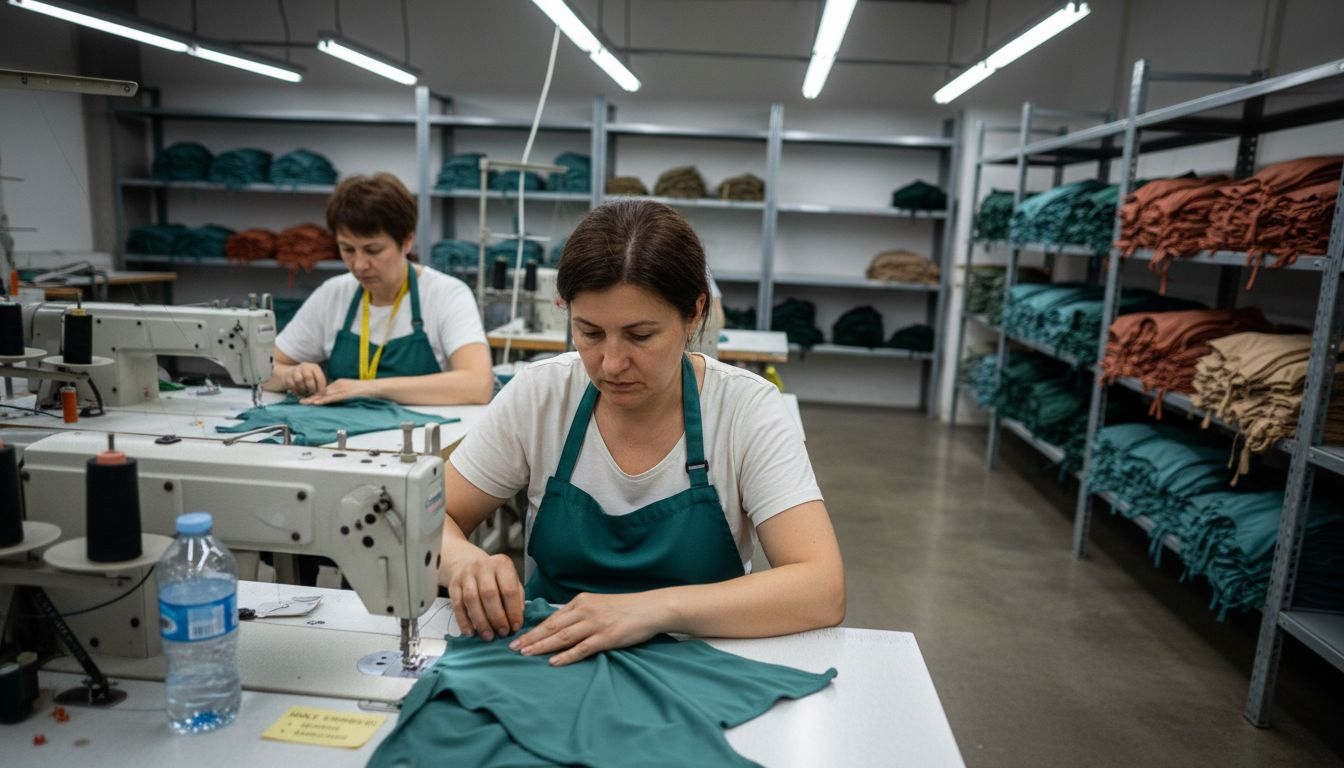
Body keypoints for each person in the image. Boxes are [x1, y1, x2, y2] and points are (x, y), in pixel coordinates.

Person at [439, 199, 845, 667]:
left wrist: (652, 610)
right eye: (589, 333)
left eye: (640, 336)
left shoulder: (745, 410)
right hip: (548, 658)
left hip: (697, 661)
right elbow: (432, 519)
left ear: (694, 315)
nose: (612, 364)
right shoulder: (541, 394)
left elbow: (822, 587)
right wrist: (463, 563)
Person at [265, 173, 493, 405]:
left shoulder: (446, 295)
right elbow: (260, 369)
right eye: (347, 250)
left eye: (372, 250)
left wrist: (370, 388)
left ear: (406, 241)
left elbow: (478, 384)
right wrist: (290, 376)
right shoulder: (333, 295)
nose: (359, 265)